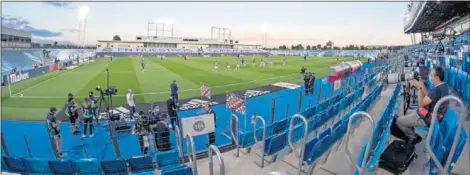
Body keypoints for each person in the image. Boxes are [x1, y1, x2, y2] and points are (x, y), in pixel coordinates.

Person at [396, 67, 449, 145]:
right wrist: (422, 84)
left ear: (437, 78)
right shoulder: (443, 86)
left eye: (431, 76)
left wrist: (419, 88)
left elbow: (421, 103)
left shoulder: (436, 90)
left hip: (426, 118)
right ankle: (411, 129)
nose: (430, 78)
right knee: (406, 114)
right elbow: (429, 95)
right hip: (429, 114)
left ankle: (413, 136)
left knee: (399, 121)